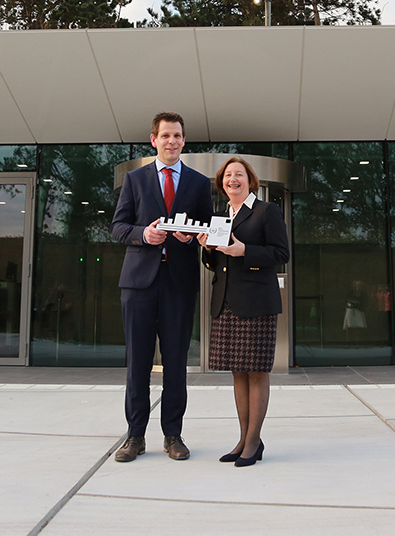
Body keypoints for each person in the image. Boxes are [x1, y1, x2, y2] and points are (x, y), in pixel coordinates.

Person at [111, 112, 213, 462]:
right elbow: (118, 226)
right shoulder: (135, 179)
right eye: (165, 135)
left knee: (176, 363)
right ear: (153, 140)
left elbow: (206, 231)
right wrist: (144, 234)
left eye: (178, 136)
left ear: (184, 140)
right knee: (137, 362)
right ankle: (135, 437)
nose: (172, 141)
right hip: (139, 284)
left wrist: (193, 237)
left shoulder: (199, 184)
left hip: (179, 284)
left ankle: (173, 435)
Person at [198, 157, 289, 468]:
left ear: (250, 180)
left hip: (256, 303)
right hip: (226, 301)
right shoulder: (221, 215)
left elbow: (281, 253)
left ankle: (254, 441)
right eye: (226, 176)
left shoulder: (267, 211)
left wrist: (245, 250)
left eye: (238, 175)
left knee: (256, 371)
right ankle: (243, 438)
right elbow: (216, 264)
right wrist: (208, 249)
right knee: (237, 371)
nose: (232, 180)